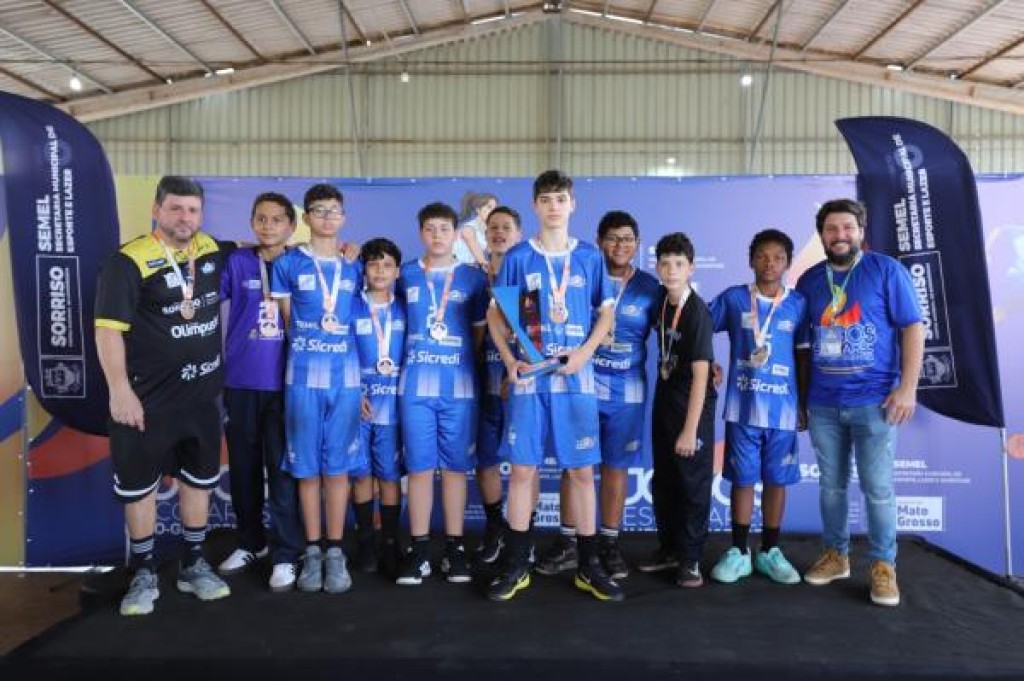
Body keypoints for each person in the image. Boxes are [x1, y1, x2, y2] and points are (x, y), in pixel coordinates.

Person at [95, 175, 234, 615]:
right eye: (175, 208)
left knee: (198, 482)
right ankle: (143, 571)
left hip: (201, 398)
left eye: (192, 210)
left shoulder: (210, 249)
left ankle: (193, 563)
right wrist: (119, 391)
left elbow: (258, 249)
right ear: (156, 210)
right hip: (146, 402)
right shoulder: (128, 261)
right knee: (140, 489)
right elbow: (107, 331)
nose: (184, 218)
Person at [486, 170, 622, 602]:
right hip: (530, 379)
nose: (553, 206)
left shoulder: (589, 257)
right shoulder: (519, 257)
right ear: (535, 205)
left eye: (560, 199)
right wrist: (509, 360)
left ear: (572, 204)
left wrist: (584, 354)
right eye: (545, 199)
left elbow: (606, 314)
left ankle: (588, 566)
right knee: (522, 471)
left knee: (581, 472)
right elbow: (496, 314)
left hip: (575, 377)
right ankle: (517, 564)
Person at [796, 198, 924, 607]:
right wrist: (801, 400)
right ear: (822, 235)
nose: (840, 236)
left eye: (847, 228)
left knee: (878, 488)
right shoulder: (809, 281)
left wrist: (908, 387)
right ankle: (836, 555)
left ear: (861, 232)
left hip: (874, 402)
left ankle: (884, 565)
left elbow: (913, 327)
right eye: (831, 229)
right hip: (823, 405)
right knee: (831, 487)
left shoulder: (886, 270)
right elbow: (801, 346)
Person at [533, 211, 659, 580]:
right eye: (613, 238)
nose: (620, 245)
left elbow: (673, 332)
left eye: (628, 238)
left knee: (616, 467)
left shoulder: (649, 286)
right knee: (576, 465)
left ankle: (609, 543)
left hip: (628, 390)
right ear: (600, 241)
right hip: (582, 382)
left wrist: (703, 362)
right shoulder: (582, 273)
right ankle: (568, 541)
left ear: (637, 244)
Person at [270, 183, 363, 594]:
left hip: (346, 380)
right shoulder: (288, 264)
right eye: (319, 210)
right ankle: (311, 551)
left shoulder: (355, 266)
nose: (327, 217)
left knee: (338, 469)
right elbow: (289, 324)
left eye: (334, 210)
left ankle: (336, 552)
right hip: (304, 379)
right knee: (307, 471)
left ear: (344, 218)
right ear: (306, 217)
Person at [707, 229, 808, 586]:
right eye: (763, 256)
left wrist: (804, 402)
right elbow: (700, 326)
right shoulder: (735, 298)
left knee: (777, 481)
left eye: (778, 257)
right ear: (751, 260)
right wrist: (709, 361)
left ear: (788, 263)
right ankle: (739, 552)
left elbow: (803, 355)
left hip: (783, 409)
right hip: (742, 409)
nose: (770, 263)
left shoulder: (798, 304)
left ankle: (770, 551)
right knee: (743, 480)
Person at [395, 202, 489, 586]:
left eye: (444, 229)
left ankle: (454, 549)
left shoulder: (473, 278)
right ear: (421, 232)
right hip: (414, 386)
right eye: (430, 229)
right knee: (418, 469)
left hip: (459, 387)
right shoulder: (404, 275)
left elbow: (478, 333)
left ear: (455, 234)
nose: (437, 236)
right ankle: (418, 551)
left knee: (455, 469)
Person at [217, 192, 305, 592]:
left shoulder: (303, 263)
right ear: (252, 222)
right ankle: (251, 542)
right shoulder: (237, 261)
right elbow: (204, 291)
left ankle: (287, 553)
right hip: (241, 381)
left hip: (288, 383)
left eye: (277, 220)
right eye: (261, 219)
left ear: (291, 225)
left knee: (282, 471)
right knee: (244, 469)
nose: (268, 226)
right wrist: (222, 247)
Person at [641, 232, 716, 588]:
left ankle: (691, 559)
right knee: (666, 480)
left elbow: (702, 375)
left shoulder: (696, 312)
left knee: (692, 484)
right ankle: (669, 548)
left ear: (691, 268)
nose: (672, 270)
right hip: (666, 398)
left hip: (692, 407)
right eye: (665, 264)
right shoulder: (660, 300)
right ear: (657, 267)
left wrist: (690, 430)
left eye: (679, 264)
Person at [349, 238, 407, 578]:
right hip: (360, 402)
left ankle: (389, 542)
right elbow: (341, 350)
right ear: (364, 270)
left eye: (387, 265)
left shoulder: (406, 308)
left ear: (398, 271)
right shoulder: (351, 306)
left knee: (389, 476)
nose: (380, 271)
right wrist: (354, 392)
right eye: (373, 264)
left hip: (393, 406)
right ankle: (366, 543)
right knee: (361, 474)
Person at [474, 206, 524, 564]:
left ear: (518, 235)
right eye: (493, 227)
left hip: (519, 382)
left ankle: (524, 535)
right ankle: (495, 528)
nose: (499, 232)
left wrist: (513, 370)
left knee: (525, 463)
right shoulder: (471, 279)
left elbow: (533, 336)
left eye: (507, 227)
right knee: (486, 459)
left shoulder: (528, 276)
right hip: (480, 384)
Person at [453, 191, 497, 269]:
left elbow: (493, 253)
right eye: (489, 207)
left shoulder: (489, 231)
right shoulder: (468, 229)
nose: (493, 212)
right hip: (455, 269)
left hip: (470, 269)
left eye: (495, 209)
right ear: (478, 210)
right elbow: (481, 260)